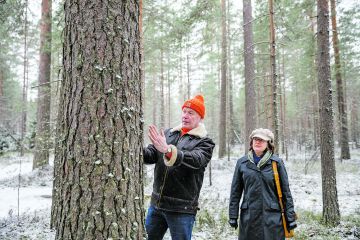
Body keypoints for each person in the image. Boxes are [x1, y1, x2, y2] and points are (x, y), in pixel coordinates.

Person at [143, 94, 215, 240]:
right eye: (184, 112)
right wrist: (133, 148)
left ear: (200, 117)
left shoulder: (205, 142)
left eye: (191, 113)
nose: (185, 116)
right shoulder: (169, 133)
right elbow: (151, 155)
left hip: (182, 210)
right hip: (156, 205)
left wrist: (168, 151)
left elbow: (196, 160)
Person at [228, 128, 297, 240]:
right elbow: (235, 192)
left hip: (272, 218)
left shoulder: (276, 163)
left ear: (268, 143)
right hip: (249, 217)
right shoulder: (242, 163)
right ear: (251, 142)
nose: (257, 142)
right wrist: (233, 215)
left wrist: (290, 218)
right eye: (255, 139)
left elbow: (286, 193)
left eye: (261, 140)